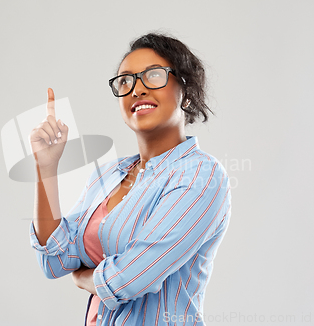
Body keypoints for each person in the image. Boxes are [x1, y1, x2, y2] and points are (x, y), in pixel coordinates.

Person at [29, 32, 232, 326]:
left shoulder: (201, 175)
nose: (137, 89)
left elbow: (130, 279)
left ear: (185, 93)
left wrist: (84, 278)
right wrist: (45, 168)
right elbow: (55, 259)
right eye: (125, 81)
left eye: (153, 75)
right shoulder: (110, 174)